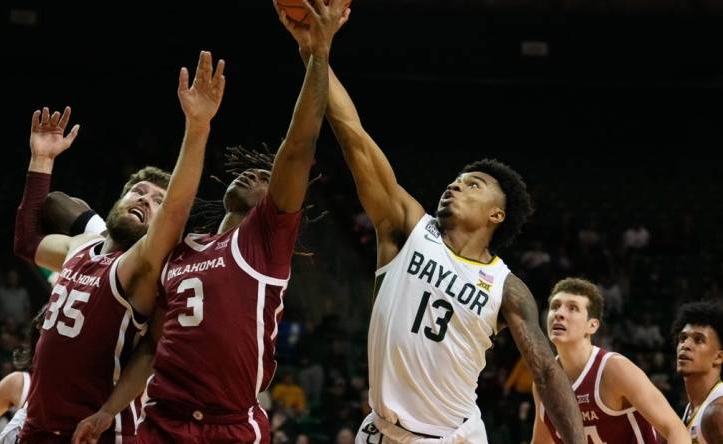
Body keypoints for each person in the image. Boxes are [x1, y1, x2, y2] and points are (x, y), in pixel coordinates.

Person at [274, 8, 585, 444]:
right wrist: (316, 54)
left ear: (497, 215)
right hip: (381, 431)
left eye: (472, 185)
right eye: (454, 181)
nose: (454, 187)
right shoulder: (406, 230)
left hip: (452, 437)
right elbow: (352, 133)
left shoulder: (505, 286)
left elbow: (546, 371)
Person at [72, 4, 347, 443]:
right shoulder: (181, 250)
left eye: (264, 176)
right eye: (250, 171)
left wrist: (318, 55)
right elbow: (151, 347)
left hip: (231, 424)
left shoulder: (265, 240)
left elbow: (299, 144)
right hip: (163, 417)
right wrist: (109, 410)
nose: (254, 175)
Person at [13, 49, 225, 443]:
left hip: (93, 432)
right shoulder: (80, 245)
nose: (146, 200)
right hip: (38, 426)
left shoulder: (140, 266)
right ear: (119, 199)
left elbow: (176, 211)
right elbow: (27, 242)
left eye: (157, 201)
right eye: (138, 192)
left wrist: (198, 128)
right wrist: (40, 161)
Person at [531, 277, 689, 443]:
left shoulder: (614, 369)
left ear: (592, 326)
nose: (559, 314)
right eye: (555, 306)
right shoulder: (544, 382)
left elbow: (676, 430)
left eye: (572, 308)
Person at [673, 300, 723, 443]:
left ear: (718, 357)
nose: (685, 345)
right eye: (683, 338)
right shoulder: (691, 409)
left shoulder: (717, 412)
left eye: (698, 340)